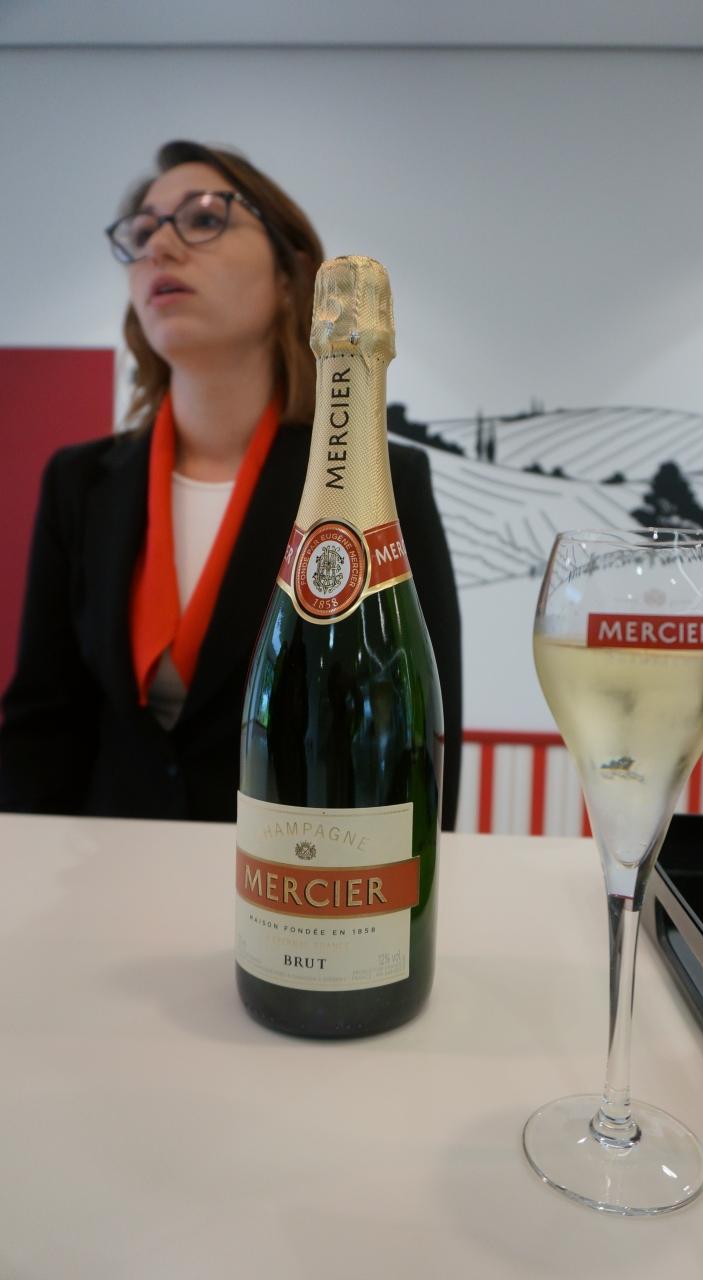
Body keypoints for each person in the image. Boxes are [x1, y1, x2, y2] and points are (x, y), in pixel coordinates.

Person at [0, 140, 462, 827]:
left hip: (297, 873)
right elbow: (42, 727)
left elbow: (415, 744)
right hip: (104, 873)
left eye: (204, 218)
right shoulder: (79, 483)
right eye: (142, 232)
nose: (160, 247)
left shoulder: (378, 485)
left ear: (291, 275)